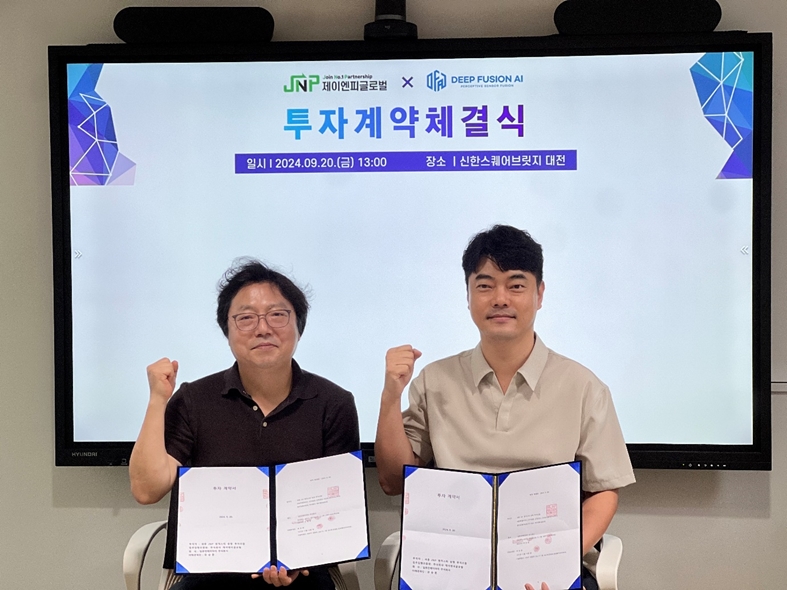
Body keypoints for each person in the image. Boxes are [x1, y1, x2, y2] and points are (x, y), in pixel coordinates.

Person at [375, 225, 635, 590]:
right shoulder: (435, 380)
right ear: (468, 295)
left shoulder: (583, 386)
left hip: (544, 568)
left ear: (539, 294)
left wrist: (559, 559)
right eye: (485, 285)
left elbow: (603, 491)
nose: (500, 298)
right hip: (453, 568)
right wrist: (391, 396)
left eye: (516, 285)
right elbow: (393, 480)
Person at [129, 259, 360, 590]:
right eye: (246, 318)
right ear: (227, 331)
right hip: (210, 576)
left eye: (277, 315)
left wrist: (299, 562)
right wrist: (157, 400)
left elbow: (338, 509)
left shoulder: (333, 402)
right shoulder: (193, 399)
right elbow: (146, 489)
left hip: (303, 576)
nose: (263, 328)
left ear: (299, 326)